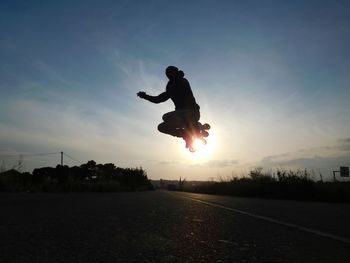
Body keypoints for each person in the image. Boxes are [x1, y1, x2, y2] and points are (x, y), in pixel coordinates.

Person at [137, 66, 200, 148]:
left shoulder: (182, 81)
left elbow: (162, 97)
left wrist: (177, 78)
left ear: (174, 73)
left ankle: (194, 127)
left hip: (192, 113)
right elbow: (158, 99)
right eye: (167, 75)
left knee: (166, 117)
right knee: (161, 127)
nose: (168, 76)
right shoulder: (171, 85)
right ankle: (185, 135)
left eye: (170, 74)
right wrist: (145, 96)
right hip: (182, 116)